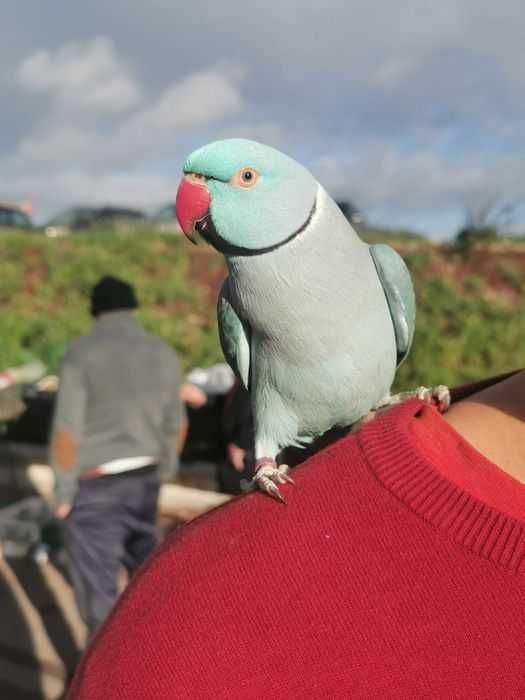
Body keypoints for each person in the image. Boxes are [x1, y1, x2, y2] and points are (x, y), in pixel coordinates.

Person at [68, 369, 525, 698]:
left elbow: (68, 422)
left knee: (97, 574)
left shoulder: (184, 626)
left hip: (104, 476)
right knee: (135, 548)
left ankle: (89, 629)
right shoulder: (194, 639)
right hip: (155, 478)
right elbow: (176, 421)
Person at [50, 275, 186, 637]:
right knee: (147, 584)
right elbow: (177, 421)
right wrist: (167, 467)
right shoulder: (162, 351)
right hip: (146, 477)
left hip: (96, 485)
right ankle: (152, 666)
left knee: (99, 597)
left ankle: (103, 685)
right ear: (134, 308)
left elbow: (67, 430)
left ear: (95, 311)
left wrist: (63, 493)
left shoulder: (81, 353)